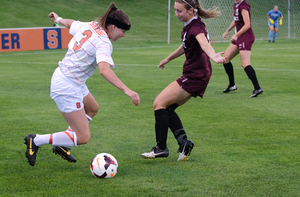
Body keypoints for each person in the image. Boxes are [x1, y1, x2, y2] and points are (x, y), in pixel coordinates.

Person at [24, 3, 140, 166]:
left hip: (72, 80)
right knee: (83, 137)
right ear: (113, 27)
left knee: (92, 108)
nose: (124, 35)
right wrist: (127, 90)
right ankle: (36, 140)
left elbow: (71, 24)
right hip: (66, 86)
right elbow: (104, 70)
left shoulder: (92, 26)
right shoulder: (103, 42)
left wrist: (58, 19)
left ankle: (62, 143)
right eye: (123, 31)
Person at [141, 0, 225, 161]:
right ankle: (184, 143)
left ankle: (161, 148)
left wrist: (213, 55)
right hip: (197, 75)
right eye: (175, 10)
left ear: (191, 11)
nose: (176, 14)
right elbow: (185, 45)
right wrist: (168, 59)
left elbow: (204, 43)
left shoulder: (196, 27)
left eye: (179, 11)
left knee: (158, 103)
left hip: (195, 76)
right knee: (167, 108)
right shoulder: (191, 25)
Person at [222, 0, 263, 98]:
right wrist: (227, 30)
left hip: (245, 37)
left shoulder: (243, 6)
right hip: (239, 37)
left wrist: (236, 34)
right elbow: (236, 20)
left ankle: (257, 88)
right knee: (225, 59)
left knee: (245, 63)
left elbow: (247, 24)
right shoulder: (236, 4)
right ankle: (232, 85)